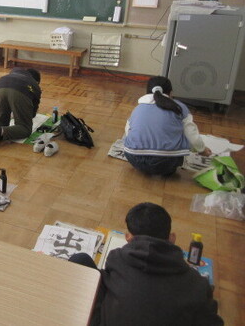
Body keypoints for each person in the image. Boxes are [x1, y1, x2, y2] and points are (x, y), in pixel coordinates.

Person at [69, 202, 223, 326]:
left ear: (129, 238)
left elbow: (105, 284)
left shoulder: (117, 258)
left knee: (80, 261)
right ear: (172, 238)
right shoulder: (197, 284)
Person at [123, 76, 211, 176]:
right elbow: (192, 135)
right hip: (166, 163)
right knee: (182, 134)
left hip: (134, 158)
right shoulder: (179, 107)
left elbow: (128, 130)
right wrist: (202, 150)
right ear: (171, 93)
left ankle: (144, 169)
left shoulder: (138, 107)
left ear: (147, 92)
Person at [0, 68, 42, 149]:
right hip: (20, 91)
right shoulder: (34, 84)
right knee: (25, 128)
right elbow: (32, 113)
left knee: (0, 120)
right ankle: (1, 131)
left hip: (0, 86)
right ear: (37, 81)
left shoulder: (14, 72)